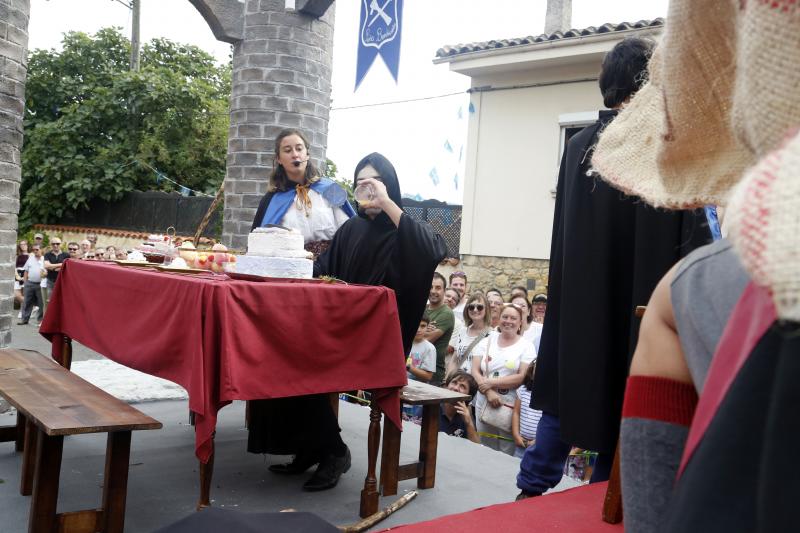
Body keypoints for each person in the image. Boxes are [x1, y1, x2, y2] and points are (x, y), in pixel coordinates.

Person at [516, 36, 711, 499]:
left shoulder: (580, 145)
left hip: (580, 306)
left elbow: (561, 237)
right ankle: (603, 502)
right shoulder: (667, 147)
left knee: (568, 396)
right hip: (639, 311)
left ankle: (529, 490)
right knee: (623, 401)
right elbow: (695, 242)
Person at [247, 152, 446, 492]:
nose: (367, 191)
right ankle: (311, 448)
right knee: (276, 351)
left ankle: (334, 451)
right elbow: (322, 272)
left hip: (378, 344)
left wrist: (386, 203)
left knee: (297, 366)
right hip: (341, 332)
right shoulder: (352, 229)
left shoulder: (407, 229)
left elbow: (432, 251)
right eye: (360, 185)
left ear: (389, 186)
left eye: (375, 183)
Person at [250, 129, 355, 256]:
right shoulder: (271, 200)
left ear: (307, 154)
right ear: (279, 159)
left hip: (333, 263)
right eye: (288, 151)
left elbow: (350, 230)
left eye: (299, 149)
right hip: (292, 266)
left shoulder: (332, 188)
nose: (295, 155)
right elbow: (262, 244)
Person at [472, 303, 536, 456]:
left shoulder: (526, 346)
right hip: (484, 400)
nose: (508, 321)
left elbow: (522, 376)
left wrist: (491, 383)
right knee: (484, 445)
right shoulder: (487, 340)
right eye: (505, 317)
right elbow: (475, 370)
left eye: (513, 318)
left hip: (509, 403)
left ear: (520, 322)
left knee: (506, 449)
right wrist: (488, 391)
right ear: (499, 319)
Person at [446, 292, 491, 377]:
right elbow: (455, 360)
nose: (475, 310)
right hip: (456, 382)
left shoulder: (492, 335)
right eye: (471, 307)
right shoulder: (462, 331)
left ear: (486, 310)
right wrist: (447, 380)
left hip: (475, 385)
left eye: (480, 307)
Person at [425, 272, 455, 385]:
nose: (433, 291)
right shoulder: (423, 308)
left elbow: (426, 340)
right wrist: (423, 331)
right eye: (431, 287)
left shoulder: (446, 313)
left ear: (444, 290)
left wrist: (416, 331)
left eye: (438, 288)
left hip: (432, 375)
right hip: (414, 369)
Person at [439, 370, 480, 443]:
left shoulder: (465, 415)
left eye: (462, 386)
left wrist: (469, 423)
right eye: (454, 382)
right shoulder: (431, 407)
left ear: (468, 396)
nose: (456, 388)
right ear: (447, 386)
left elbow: (476, 446)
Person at [513, 362, 542, 459]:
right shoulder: (522, 390)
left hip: (540, 445)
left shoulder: (549, 398)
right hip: (521, 443)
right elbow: (516, 413)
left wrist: (538, 440)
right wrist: (516, 435)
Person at [19, 244, 45, 325]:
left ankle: (40, 320)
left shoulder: (44, 259)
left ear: (41, 250)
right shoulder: (30, 258)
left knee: (41, 303)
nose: (35, 251)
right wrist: (25, 283)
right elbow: (26, 271)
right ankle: (24, 319)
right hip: (29, 283)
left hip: (40, 284)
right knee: (27, 302)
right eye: (34, 250)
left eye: (37, 249)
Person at [407, 314, 436, 384]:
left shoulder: (430, 348)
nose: (418, 329)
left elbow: (428, 376)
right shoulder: (402, 341)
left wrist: (407, 366)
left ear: (427, 327)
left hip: (415, 387)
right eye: (416, 325)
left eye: (423, 326)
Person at [43, 237, 68, 307]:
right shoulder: (47, 254)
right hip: (50, 281)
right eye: (53, 244)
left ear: (61, 244)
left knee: (61, 301)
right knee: (50, 301)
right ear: (51, 245)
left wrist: (52, 266)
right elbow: (46, 266)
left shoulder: (66, 255)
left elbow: (67, 268)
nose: (55, 245)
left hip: (62, 282)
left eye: (57, 243)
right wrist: (61, 264)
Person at [14, 240, 29, 315]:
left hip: (26, 275)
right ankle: (31, 305)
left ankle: (22, 311)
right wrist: (17, 276)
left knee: (24, 294)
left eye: (24, 244)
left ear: (27, 245)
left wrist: (26, 276)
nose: (23, 246)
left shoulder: (31, 255)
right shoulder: (17, 255)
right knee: (17, 295)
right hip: (18, 275)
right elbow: (14, 267)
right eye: (21, 244)